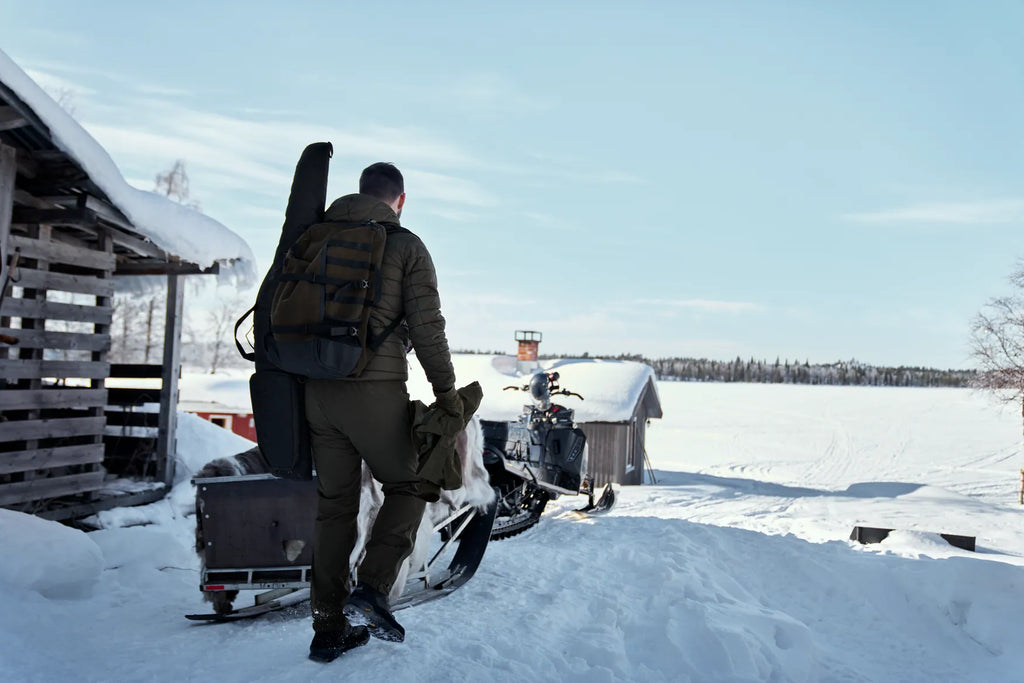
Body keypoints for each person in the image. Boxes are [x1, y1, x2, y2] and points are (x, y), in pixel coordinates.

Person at [306, 162, 459, 662]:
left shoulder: (313, 236)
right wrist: (446, 392)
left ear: (360, 193)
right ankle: (371, 590)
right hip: (373, 388)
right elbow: (428, 327)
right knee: (411, 483)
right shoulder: (406, 245)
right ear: (401, 199)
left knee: (335, 506)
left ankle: (327, 627)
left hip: (315, 391)